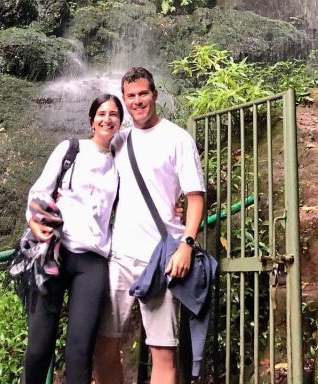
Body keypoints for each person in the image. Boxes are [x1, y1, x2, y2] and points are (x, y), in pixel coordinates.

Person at [95, 67, 206, 384]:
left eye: (143, 93)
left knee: (162, 351)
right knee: (103, 342)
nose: (137, 101)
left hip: (162, 258)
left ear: (155, 95)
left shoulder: (177, 139)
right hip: (119, 255)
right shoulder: (119, 141)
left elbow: (195, 198)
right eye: (130, 96)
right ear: (124, 100)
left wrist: (186, 244)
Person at [21, 93, 123, 384]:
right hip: (56, 252)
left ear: (120, 123)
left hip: (92, 262)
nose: (107, 119)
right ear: (92, 121)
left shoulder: (120, 163)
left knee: (79, 349)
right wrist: (33, 219)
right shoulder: (71, 149)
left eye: (114, 114)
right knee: (40, 345)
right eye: (101, 114)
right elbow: (40, 191)